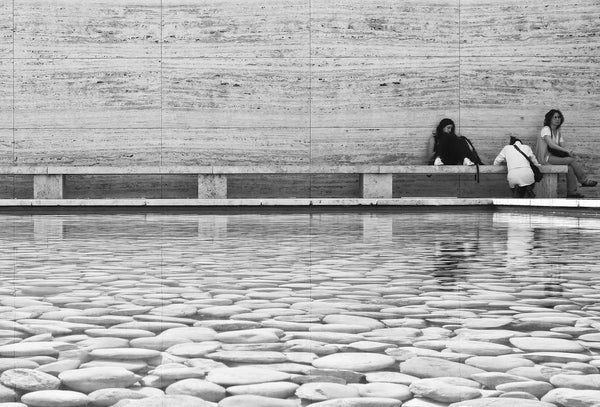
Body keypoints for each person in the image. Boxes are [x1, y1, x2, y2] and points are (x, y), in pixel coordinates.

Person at [534, 109, 596, 198]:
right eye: (555, 117)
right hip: (544, 158)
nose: (557, 119)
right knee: (570, 160)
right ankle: (584, 180)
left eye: (559, 117)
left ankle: (572, 192)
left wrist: (568, 152)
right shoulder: (546, 129)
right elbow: (551, 144)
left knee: (569, 168)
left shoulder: (558, 133)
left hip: (553, 158)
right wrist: (567, 152)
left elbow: (562, 148)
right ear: (549, 119)